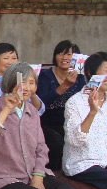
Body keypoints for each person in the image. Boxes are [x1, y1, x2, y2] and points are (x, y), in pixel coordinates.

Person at [37, 40, 86, 170]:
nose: (64, 58)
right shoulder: (45, 76)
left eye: (69, 55)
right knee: (57, 141)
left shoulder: (80, 77)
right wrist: (64, 86)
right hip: (47, 123)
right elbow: (41, 104)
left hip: (71, 123)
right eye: (60, 54)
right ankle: (52, 173)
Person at [62, 52, 107, 189]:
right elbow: (74, 140)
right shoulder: (75, 102)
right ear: (90, 73)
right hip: (82, 163)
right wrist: (92, 112)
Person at [0, 42, 45, 116]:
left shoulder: (22, 80)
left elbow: (39, 110)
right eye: (6, 58)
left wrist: (32, 93)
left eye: (14, 58)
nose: (11, 62)